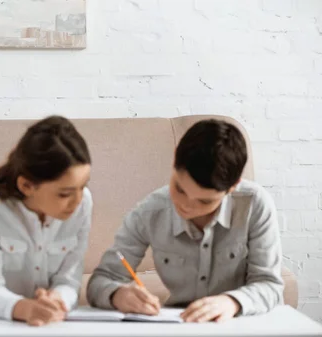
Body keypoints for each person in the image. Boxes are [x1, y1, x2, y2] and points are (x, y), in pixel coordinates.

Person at [87, 119, 283, 323]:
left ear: (232, 186)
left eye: (205, 201)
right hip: (177, 325)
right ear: (174, 161)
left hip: (238, 324)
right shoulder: (150, 211)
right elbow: (100, 281)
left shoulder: (255, 205)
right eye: (179, 188)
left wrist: (231, 302)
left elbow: (269, 285)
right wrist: (118, 294)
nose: (186, 205)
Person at [0, 116, 93, 327]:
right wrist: (25, 308)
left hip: (48, 325)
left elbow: (69, 281)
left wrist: (56, 300)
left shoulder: (83, 202)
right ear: (26, 186)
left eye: (83, 186)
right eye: (64, 194)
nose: (78, 201)